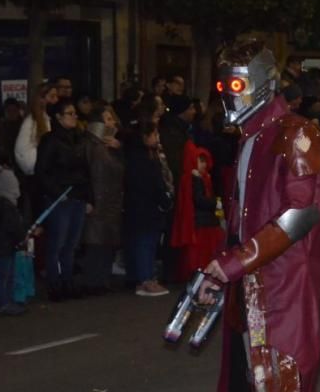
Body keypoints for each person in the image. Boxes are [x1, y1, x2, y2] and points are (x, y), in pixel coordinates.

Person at [198, 41, 320, 392]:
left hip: (283, 281)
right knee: (258, 379)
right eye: (223, 85)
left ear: (260, 81)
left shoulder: (297, 136)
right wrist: (223, 268)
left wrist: (235, 263)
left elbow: (300, 215)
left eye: (236, 84)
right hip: (251, 280)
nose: (228, 95)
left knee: (282, 377)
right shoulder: (252, 137)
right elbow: (243, 215)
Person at [35, 98, 92, 301]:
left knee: (71, 244)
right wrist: (57, 191)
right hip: (59, 198)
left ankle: (67, 281)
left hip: (76, 196)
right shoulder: (50, 140)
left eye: (75, 113)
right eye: (69, 113)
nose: (74, 116)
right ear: (58, 117)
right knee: (57, 243)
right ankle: (55, 283)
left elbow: (86, 170)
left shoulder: (79, 139)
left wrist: (88, 197)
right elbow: (41, 172)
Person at [123, 123, 171, 297]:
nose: (157, 137)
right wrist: (164, 200)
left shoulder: (136, 156)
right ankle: (145, 279)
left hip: (139, 206)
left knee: (143, 242)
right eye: (154, 134)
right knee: (146, 242)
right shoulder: (143, 159)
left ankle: (142, 276)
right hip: (146, 207)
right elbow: (153, 183)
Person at [82, 106, 124, 294]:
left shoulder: (105, 146)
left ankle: (100, 280)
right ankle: (94, 281)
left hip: (109, 200)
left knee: (105, 241)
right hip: (100, 200)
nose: (112, 122)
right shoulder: (92, 145)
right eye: (108, 119)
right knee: (96, 242)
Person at [170, 141, 224, 280]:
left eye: (204, 161)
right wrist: (215, 202)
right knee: (202, 253)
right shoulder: (196, 179)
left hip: (202, 221)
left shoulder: (198, 178)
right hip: (202, 222)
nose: (204, 164)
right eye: (201, 161)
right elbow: (199, 200)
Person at [0, 162, 27, 315]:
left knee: (1, 276)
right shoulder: (7, 206)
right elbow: (13, 228)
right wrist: (21, 239)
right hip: (5, 247)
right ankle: (5, 303)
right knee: (5, 277)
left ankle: (3, 301)